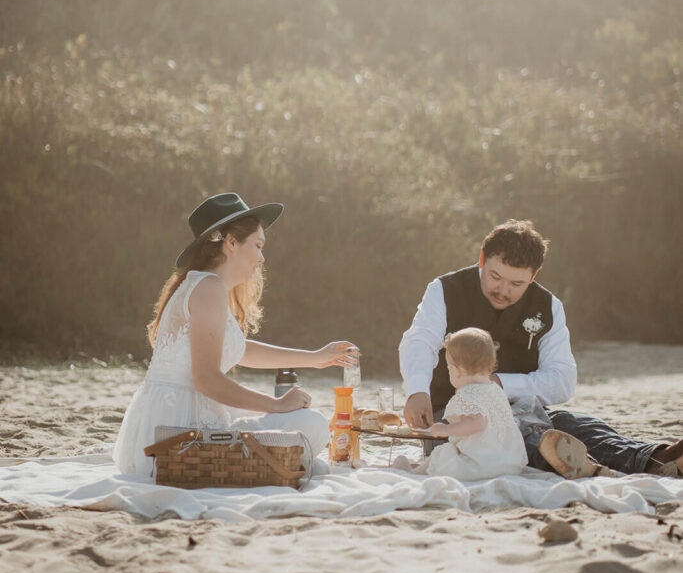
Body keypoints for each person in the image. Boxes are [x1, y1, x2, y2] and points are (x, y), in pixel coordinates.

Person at [399, 219, 683, 478]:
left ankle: (657, 460)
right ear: (482, 260)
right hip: (453, 413)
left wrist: (499, 384)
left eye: (516, 283)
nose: (503, 290)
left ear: (533, 276)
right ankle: (589, 469)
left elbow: (562, 381)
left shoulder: (549, 307)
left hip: (526, 408)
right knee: (507, 434)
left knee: (579, 425)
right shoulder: (444, 289)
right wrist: (417, 390)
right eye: (495, 277)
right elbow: (420, 341)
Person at [114, 192, 358, 477]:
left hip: (185, 414)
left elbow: (240, 349)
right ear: (231, 242)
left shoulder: (207, 286)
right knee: (312, 424)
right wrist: (275, 405)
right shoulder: (208, 288)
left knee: (304, 422)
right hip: (180, 427)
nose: (262, 257)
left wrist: (315, 358)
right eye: (258, 245)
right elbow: (205, 379)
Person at [394, 328, 528, 480]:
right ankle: (415, 472)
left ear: (457, 371)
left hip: (481, 464)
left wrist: (446, 429)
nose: (450, 373)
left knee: (443, 453)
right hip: (510, 463)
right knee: (447, 452)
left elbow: (477, 423)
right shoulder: (495, 389)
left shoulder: (467, 394)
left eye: (449, 369)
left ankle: (412, 474)